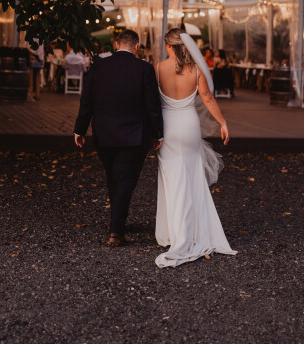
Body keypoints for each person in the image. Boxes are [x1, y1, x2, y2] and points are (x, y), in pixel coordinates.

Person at [155, 28, 237, 268]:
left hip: (168, 127)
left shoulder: (158, 68)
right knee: (191, 177)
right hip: (189, 125)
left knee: (172, 178)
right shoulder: (196, 69)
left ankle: (175, 234)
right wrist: (223, 122)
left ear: (169, 46)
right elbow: (208, 98)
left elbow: (151, 101)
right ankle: (193, 230)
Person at [73, 29, 163, 246]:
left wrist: (79, 130)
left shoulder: (98, 67)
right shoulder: (144, 69)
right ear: (137, 47)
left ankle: (117, 222)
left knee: (113, 177)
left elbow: (86, 102)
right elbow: (152, 106)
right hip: (134, 135)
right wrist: (158, 133)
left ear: (116, 45)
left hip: (104, 134)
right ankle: (116, 231)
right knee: (125, 180)